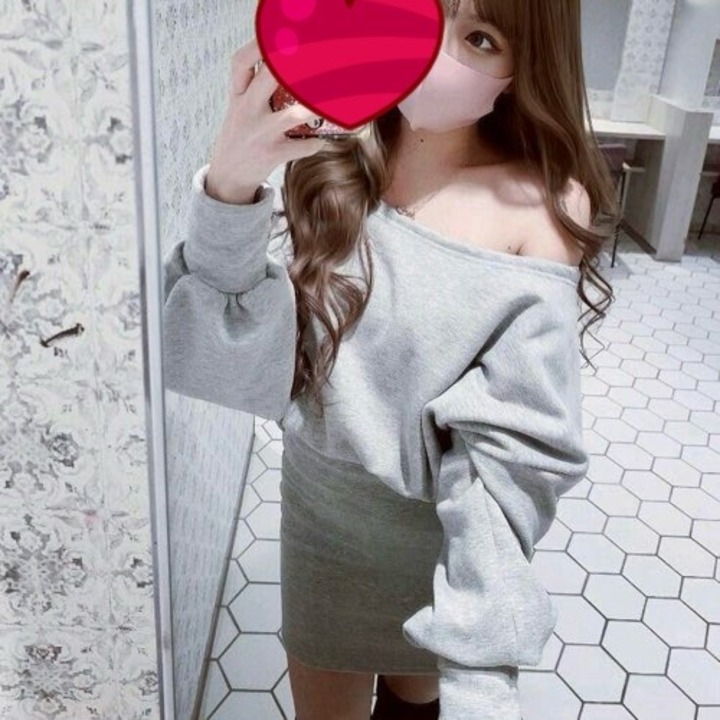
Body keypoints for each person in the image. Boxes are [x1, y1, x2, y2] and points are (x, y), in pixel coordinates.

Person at [162, 0, 619, 717]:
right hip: (320, 525)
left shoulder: (542, 205)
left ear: (524, 67)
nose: (436, 52)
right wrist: (230, 183)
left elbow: (512, 455)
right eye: (426, 13)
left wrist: (480, 654)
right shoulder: (328, 152)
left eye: (480, 37)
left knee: (417, 697)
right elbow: (226, 358)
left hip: (436, 542)